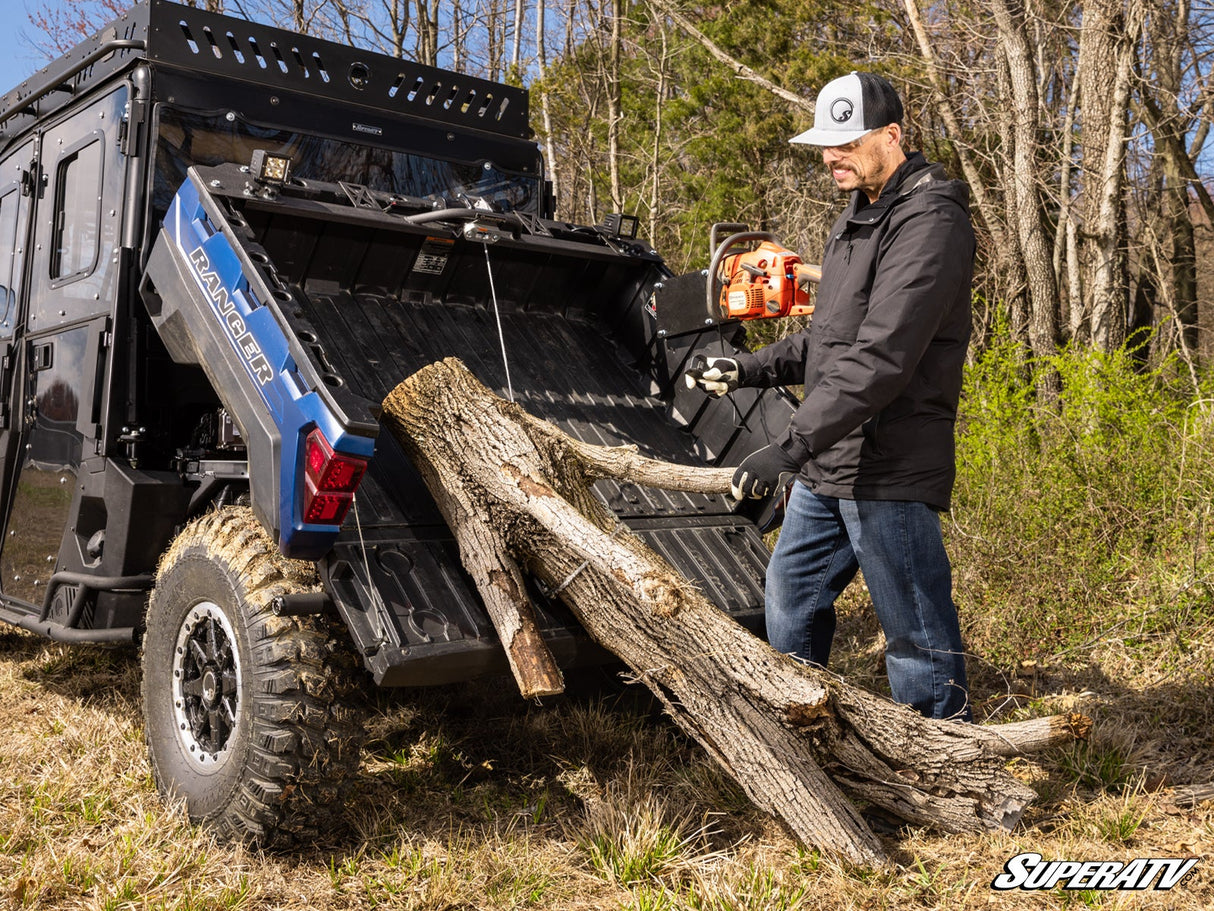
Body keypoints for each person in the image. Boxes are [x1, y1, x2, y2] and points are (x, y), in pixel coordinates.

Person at [687, 71, 975, 721]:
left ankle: (948, 754)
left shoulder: (932, 223)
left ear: (892, 135)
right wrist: (750, 368)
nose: (829, 156)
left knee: (913, 630)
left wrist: (785, 447)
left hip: (890, 463)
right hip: (831, 462)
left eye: (845, 142)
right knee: (790, 597)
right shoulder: (859, 217)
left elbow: (881, 356)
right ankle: (811, 728)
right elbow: (831, 338)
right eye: (825, 143)